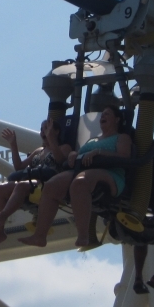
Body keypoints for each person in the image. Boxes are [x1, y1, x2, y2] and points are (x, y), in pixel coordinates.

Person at [19, 105, 132, 249]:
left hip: (110, 174)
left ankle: (83, 235)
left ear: (117, 120)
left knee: (79, 183)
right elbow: (78, 154)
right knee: (51, 186)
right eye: (102, 114)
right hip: (82, 170)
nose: (102, 117)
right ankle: (40, 236)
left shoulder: (122, 138)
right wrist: (73, 154)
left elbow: (125, 156)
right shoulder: (92, 141)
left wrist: (98, 152)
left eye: (107, 114)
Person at [0, 119, 70, 253]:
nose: (44, 132)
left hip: (49, 182)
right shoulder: (38, 151)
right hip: (32, 182)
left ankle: (3, 215)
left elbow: (61, 160)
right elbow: (19, 167)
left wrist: (51, 139)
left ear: (56, 131)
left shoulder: (64, 147)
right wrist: (13, 144)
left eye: (47, 129)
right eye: (42, 129)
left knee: (21, 186)